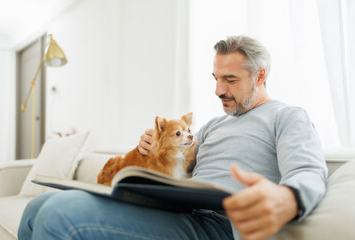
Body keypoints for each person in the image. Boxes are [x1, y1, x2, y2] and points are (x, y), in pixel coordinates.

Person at [18, 36, 327, 240]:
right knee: (38, 207)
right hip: (180, 211)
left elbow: (309, 171)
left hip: (219, 226)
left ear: (260, 76)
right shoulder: (212, 127)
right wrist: (148, 151)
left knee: (59, 214)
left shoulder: (287, 116)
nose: (218, 90)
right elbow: (180, 172)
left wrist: (289, 198)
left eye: (230, 79)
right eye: (216, 78)